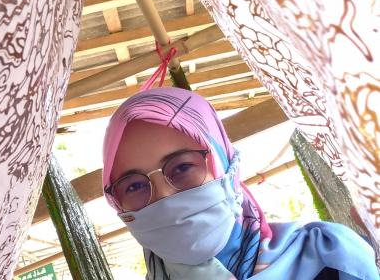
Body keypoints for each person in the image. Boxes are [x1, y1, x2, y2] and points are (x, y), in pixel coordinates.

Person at [102, 87, 379, 279]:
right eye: (134, 186)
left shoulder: (332, 258)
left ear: (226, 167)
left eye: (183, 167)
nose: (164, 197)